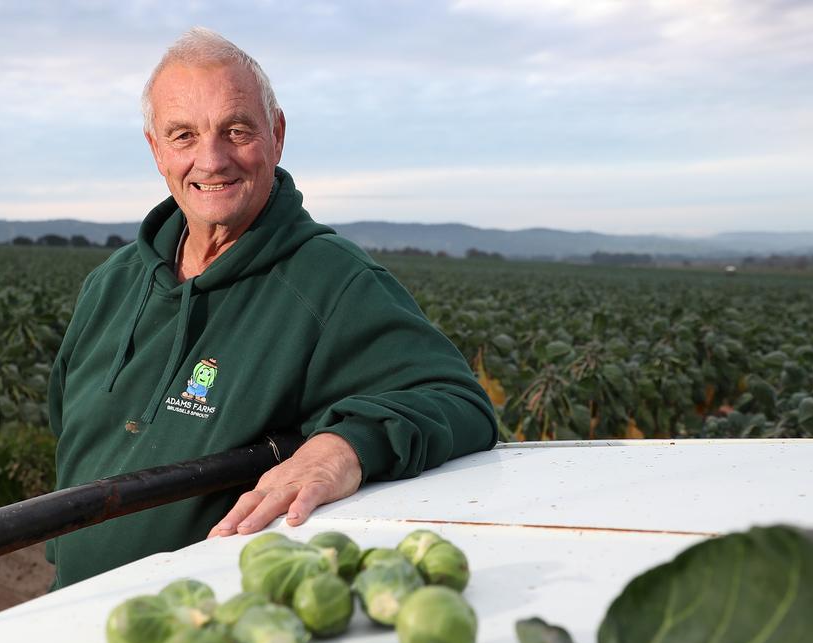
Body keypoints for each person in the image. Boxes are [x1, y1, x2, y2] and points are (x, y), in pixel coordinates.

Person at [45, 28, 498, 589]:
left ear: (277, 135)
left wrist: (341, 449)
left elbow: (459, 403)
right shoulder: (110, 285)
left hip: (207, 633)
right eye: (183, 135)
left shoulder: (330, 280)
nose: (211, 160)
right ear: (156, 150)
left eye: (236, 130)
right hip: (67, 613)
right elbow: (72, 434)